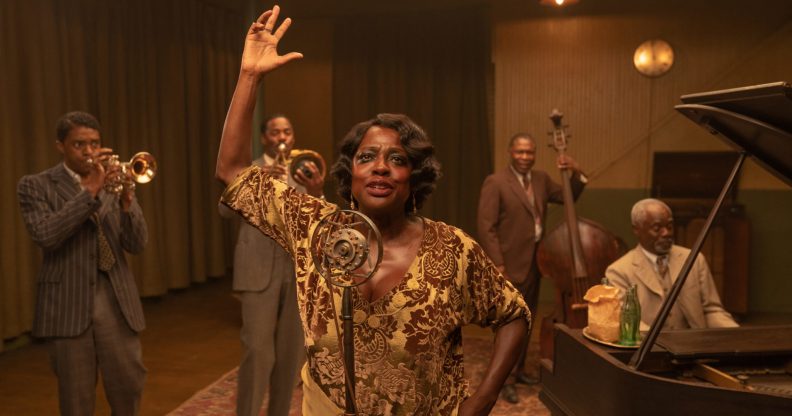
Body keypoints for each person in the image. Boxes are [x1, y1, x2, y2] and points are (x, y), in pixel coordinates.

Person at [215, 6, 530, 415]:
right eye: (367, 157)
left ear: (414, 177)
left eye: (396, 159)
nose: (380, 166)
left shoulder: (452, 249)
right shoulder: (317, 229)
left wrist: (483, 398)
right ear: (351, 174)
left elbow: (513, 315)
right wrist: (250, 76)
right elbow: (233, 170)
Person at [17, 111, 148, 415]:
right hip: (67, 303)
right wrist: (89, 190)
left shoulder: (113, 180)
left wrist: (128, 199)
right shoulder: (35, 186)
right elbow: (46, 235)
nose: (89, 151)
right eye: (79, 144)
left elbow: (137, 243)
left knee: (129, 387)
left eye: (94, 143)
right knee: (76, 401)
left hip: (115, 301)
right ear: (60, 146)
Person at [476, 132, 585, 403]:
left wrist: (575, 171)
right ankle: (505, 380)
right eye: (520, 152)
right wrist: (498, 265)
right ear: (510, 153)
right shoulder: (496, 182)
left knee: (527, 321)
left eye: (530, 153)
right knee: (509, 324)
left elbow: (568, 196)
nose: (525, 157)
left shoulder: (542, 179)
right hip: (508, 266)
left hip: (536, 264)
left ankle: (520, 370)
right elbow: (486, 227)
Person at [231, 113, 324, 416]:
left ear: (293, 136)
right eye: (274, 132)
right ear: (264, 138)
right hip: (257, 271)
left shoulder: (306, 169)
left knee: (290, 357)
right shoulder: (249, 170)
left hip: (297, 273)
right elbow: (224, 211)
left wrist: (317, 191)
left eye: (286, 131)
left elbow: (319, 219)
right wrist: (257, 183)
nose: (281, 137)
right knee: (257, 353)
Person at [605, 198, 739, 330]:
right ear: (637, 230)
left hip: (693, 345)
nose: (666, 233)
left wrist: (736, 334)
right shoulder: (619, 271)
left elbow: (711, 311)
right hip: (649, 348)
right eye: (657, 228)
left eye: (669, 226)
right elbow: (627, 321)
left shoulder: (694, 260)